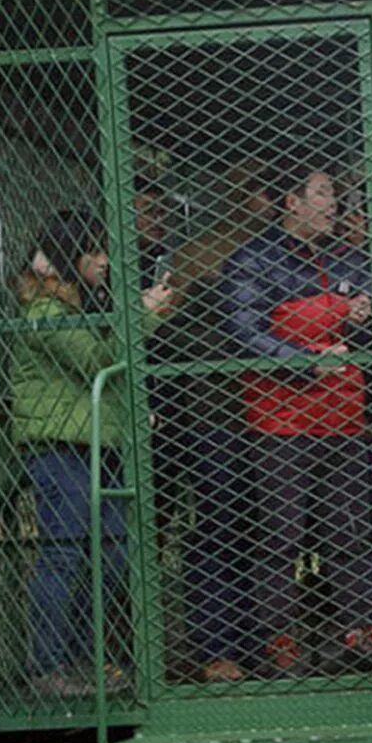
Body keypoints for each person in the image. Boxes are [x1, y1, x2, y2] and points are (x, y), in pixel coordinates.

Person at [220, 159, 372, 674]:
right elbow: (243, 330)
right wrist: (308, 350)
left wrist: (357, 318)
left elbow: (370, 322)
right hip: (280, 422)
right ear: (292, 203)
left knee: (351, 529)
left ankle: (358, 630)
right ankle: (278, 641)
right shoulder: (254, 259)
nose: (332, 204)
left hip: (345, 416)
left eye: (333, 195)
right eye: (321, 194)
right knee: (280, 534)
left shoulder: (351, 259)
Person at [10, 208, 174, 691]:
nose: (105, 260)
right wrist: (142, 315)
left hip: (94, 446)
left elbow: (103, 383)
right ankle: (49, 665)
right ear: (71, 255)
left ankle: (86, 657)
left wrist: (131, 413)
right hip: (58, 448)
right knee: (63, 555)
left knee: (113, 553)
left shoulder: (79, 305)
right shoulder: (45, 310)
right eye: (95, 251)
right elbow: (97, 362)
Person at [155, 160, 274, 682]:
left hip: (276, 415)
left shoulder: (288, 252)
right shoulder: (195, 253)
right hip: (216, 412)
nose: (257, 198)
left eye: (265, 188)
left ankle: (265, 641)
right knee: (218, 527)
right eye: (250, 186)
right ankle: (217, 648)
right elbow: (172, 333)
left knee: (267, 529)